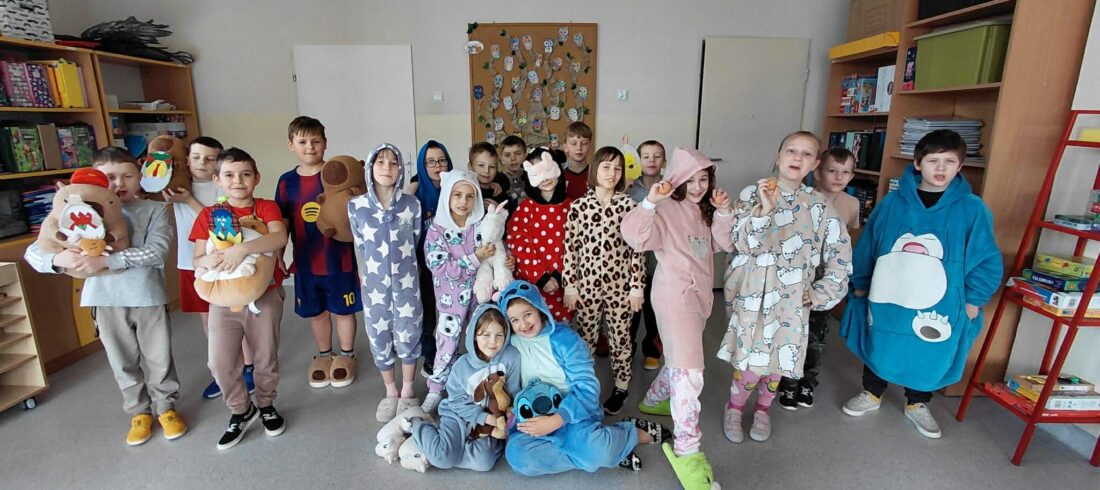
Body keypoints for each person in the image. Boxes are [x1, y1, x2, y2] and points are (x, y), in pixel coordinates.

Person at [840, 129, 1002, 439]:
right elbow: (869, 245)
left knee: (929, 347)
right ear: (917, 163)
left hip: (942, 302)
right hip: (889, 294)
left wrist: (973, 301)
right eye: (933, 161)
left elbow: (987, 260)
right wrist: (860, 282)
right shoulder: (892, 204)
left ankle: (917, 402)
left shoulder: (973, 210)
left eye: (949, 162)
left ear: (960, 166)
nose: (940, 168)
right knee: (881, 340)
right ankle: (872, 392)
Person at [25, 153, 185, 446]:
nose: (118, 184)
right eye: (109, 177)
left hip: (147, 296)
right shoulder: (72, 212)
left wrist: (108, 261)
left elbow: (157, 250)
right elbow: (35, 252)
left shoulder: (154, 210)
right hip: (104, 299)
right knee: (121, 360)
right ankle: (139, 412)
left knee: (159, 356)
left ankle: (166, 407)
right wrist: (59, 259)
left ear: (139, 178)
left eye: (127, 176)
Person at [716, 131, 851, 444]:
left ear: (815, 165)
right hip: (752, 295)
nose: (797, 158)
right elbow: (741, 243)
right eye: (791, 151)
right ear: (778, 156)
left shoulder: (819, 206)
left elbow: (841, 256)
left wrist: (820, 293)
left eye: (806, 154)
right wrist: (764, 210)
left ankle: (763, 408)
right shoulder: (752, 193)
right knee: (750, 360)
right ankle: (735, 406)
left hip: (792, 301)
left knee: (780, 360)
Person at [622, 148, 733, 489]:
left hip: (699, 299)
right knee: (690, 371)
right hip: (673, 298)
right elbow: (635, 236)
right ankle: (687, 449)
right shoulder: (666, 207)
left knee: (680, 360)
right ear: (678, 179)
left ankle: (654, 400)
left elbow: (723, 244)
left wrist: (724, 212)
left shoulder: (703, 209)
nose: (698, 187)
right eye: (691, 180)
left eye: (704, 179)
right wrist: (650, 203)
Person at [499, 280, 670, 476]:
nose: (523, 325)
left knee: (601, 451)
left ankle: (630, 434)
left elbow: (587, 389)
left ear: (539, 309)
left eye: (527, 314)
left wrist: (556, 420)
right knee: (518, 457)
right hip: (533, 416)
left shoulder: (566, 340)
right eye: (514, 320)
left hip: (572, 415)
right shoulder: (512, 343)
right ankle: (601, 450)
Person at [192, 147, 289, 450]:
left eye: (245, 174)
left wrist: (243, 249)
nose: (238, 181)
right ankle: (240, 410)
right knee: (219, 362)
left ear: (256, 178)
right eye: (230, 175)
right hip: (222, 300)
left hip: (265, 295)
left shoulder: (266, 208)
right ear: (217, 180)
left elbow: (278, 237)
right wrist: (205, 261)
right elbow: (197, 257)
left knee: (265, 356)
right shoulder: (208, 215)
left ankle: (266, 404)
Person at [275, 116, 361, 388]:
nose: (310, 147)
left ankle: (347, 355)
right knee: (317, 313)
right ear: (291, 145)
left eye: (315, 141)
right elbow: (282, 222)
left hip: (340, 260)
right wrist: (279, 253)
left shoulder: (338, 175)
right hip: (306, 262)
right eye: (302, 142)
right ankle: (324, 355)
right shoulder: (286, 182)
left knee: (343, 311)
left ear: (325, 143)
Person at [562, 146, 645, 415]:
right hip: (586, 287)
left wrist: (636, 287)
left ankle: (621, 386)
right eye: (606, 167)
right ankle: (584, 387)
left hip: (620, 287)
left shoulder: (629, 206)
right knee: (585, 338)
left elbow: (637, 250)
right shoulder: (579, 207)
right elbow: (570, 249)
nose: (612, 173)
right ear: (595, 169)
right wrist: (570, 285)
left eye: (618, 168)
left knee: (621, 338)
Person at [777, 147, 860, 410]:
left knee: (816, 336)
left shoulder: (852, 204)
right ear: (817, 170)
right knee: (790, 333)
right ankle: (787, 383)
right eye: (832, 170)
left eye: (845, 172)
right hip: (797, 279)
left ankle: (807, 383)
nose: (838, 177)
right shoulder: (803, 198)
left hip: (825, 284)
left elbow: (847, 243)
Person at [349, 143, 424, 421]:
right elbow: (360, 246)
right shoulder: (356, 207)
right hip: (374, 287)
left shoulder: (411, 205)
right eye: (380, 162)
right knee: (379, 336)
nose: (387, 168)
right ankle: (390, 391)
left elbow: (414, 239)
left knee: (409, 333)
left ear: (401, 169)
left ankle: (408, 391)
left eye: (393, 163)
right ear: (370, 168)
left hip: (407, 284)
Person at [407, 304, 520, 471]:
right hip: (459, 414)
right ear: (474, 335)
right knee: (442, 458)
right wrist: (484, 418)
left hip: (492, 420)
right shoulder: (461, 366)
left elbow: (514, 392)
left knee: (484, 463)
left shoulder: (512, 357)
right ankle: (418, 423)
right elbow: (457, 403)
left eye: (499, 335)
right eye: (486, 335)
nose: (493, 341)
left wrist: (509, 416)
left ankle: (451, 451)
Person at [422, 170, 488, 414]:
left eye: (470, 196)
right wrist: (474, 258)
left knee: (481, 339)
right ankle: (436, 389)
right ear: (447, 196)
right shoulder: (436, 230)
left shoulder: (480, 224)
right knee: (447, 344)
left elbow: (495, 247)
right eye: (457, 195)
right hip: (450, 301)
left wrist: (506, 259)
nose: (463, 201)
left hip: (480, 296)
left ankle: (480, 385)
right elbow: (440, 267)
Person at [407, 140, 455, 378]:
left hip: (453, 264)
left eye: (442, 160)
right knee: (427, 313)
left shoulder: (455, 187)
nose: (438, 166)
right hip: (424, 265)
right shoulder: (415, 193)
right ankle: (430, 355)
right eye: (431, 162)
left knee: (452, 311)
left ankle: (451, 353)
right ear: (422, 165)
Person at [507, 148, 572, 322]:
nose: (545, 178)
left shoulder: (573, 207)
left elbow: (576, 245)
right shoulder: (524, 209)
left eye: (548, 170)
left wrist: (559, 275)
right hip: (533, 286)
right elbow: (519, 246)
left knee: (563, 329)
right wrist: (541, 278)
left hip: (564, 285)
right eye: (538, 173)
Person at [626, 139, 667, 370]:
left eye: (657, 156)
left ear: (664, 161)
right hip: (632, 262)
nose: (651, 160)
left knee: (654, 310)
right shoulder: (630, 189)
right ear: (638, 160)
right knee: (631, 311)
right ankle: (627, 348)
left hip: (659, 262)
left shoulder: (670, 190)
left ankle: (652, 350)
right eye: (646, 156)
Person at [562, 121, 593, 200]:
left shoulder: (596, 176)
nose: (579, 148)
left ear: (590, 147)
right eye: (573, 143)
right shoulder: (559, 177)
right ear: (565, 147)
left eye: (584, 143)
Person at [499, 135, 528, 202]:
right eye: (507, 155)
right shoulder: (497, 181)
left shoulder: (532, 177)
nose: (513, 158)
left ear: (525, 156)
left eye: (517, 153)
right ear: (502, 159)